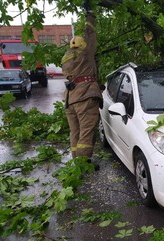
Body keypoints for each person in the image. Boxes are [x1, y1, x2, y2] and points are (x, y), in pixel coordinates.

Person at [61, 1, 103, 170]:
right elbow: (90, 33)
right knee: (86, 132)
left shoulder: (66, 57)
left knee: (75, 132)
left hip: (70, 99)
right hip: (84, 96)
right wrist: (89, 15)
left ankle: (75, 162)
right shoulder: (86, 52)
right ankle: (82, 165)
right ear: (83, 46)